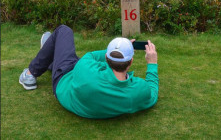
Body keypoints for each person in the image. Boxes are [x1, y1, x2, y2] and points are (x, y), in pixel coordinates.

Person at [19, 25, 159, 119]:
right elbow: (152, 93)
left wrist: (114, 51)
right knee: (70, 59)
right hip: (81, 77)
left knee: (64, 30)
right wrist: (152, 63)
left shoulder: (86, 67)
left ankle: (30, 74)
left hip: (65, 80)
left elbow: (90, 56)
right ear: (131, 61)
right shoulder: (137, 91)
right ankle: (51, 53)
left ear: (106, 57)